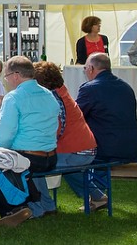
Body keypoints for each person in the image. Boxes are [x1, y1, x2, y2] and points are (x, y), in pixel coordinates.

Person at [0, 56, 59, 227]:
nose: (6, 80)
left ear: (16, 75)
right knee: (17, 165)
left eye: (6, 76)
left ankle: (13, 209)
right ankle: (39, 205)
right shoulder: (48, 94)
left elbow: (5, 137)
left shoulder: (14, 97)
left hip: (29, 158)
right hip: (50, 156)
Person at [28, 61, 101, 216]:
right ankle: (99, 197)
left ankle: (45, 206)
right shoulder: (62, 92)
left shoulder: (53, 98)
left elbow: (55, 131)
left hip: (75, 151)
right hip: (86, 148)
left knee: (33, 163)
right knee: (69, 170)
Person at [75, 53, 137, 203]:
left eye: (85, 68)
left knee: (66, 160)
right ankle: (97, 197)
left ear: (91, 68)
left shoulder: (90, 88)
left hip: (106, 147)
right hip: (130, 145)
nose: (85, 71)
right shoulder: (126, 87)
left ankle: (97, 196)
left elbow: (76, 117)